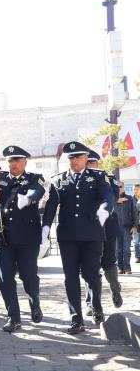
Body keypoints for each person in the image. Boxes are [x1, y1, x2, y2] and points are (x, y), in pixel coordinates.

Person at [43, 141, 115, 334]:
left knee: (91, 275)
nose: (74, 161)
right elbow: (51, 206)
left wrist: (104, 210)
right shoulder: (58, 180)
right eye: (71, 158)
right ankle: (76, 318)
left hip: (92, 235)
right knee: (70, 277)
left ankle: (96, 308)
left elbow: (108, 197)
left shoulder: (98, 177)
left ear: (86, 158)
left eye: (77, 157)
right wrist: (45, 228)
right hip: (68, 237)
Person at [0, 146, 45, 332]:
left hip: (27, 238)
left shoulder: (34, 178)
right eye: (10, 161)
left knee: (28, 276)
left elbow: (38, 191)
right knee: (5, 279)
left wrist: (27, 198)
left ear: (25, 162)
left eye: (17, 160)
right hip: (3, 237)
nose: (13, 164)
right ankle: (14, 318)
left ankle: (34, 301)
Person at [84, 151, 124, 310]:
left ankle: (115, 289)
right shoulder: (78, 180)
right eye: (87, 163)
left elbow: (112, 199)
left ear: (97, 164)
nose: (89, 166)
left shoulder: (108, 179)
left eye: (91, 162)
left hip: (106, 228)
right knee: (89, 266)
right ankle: (90, 303)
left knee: (108, 263)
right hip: (87, 229)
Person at [114, 181, 136, 275]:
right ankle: (120, 267)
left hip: (127, 227)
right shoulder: (111, 198)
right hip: (115, 228)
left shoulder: (130, 198)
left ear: (123, 187)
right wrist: (115, 200)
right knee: (118, 249)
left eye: (120, 186)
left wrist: (135, 226)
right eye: (117, 187)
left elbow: (135, 213)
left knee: (126, 249)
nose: (119, 188)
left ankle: (127, 267)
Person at [134, 185, 140, 263]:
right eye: (135, 189)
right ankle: (138, 257)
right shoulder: (131, 199)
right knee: (136, 242)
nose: (136, 191)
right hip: (136, 224)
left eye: (138, 189)